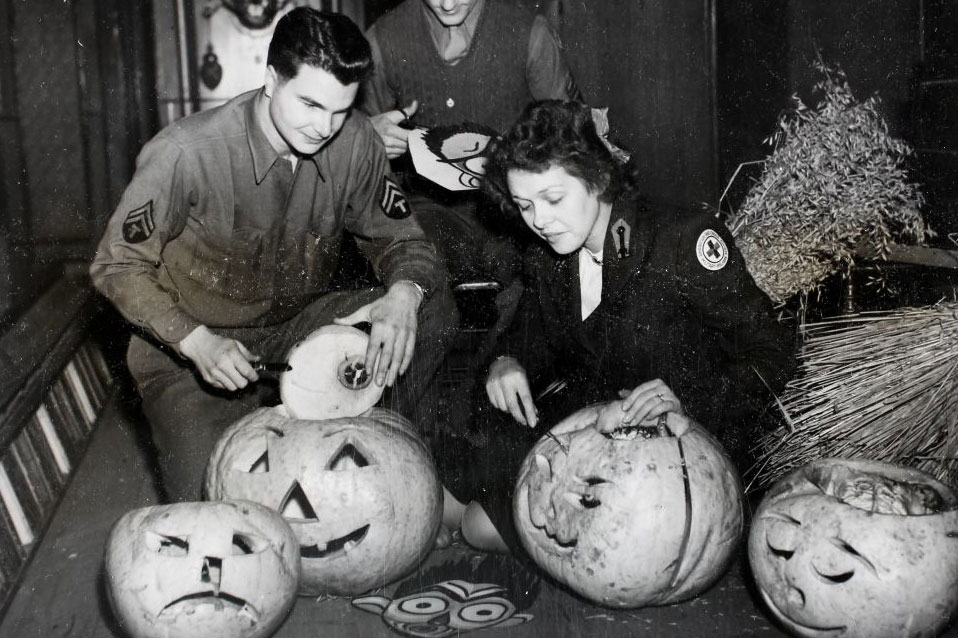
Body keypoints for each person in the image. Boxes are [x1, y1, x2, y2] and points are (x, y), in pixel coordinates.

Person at [89, 8, 457, 502]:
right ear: (269, 79)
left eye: (341, 110)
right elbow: (116, 264)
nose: (324, 127)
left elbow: (404, 241)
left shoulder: (356, 141)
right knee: (219, 514)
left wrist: (403, 293)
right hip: (189, 348)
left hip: (294, 329)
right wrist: (196, 342)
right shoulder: (186, 153)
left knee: (427, 305)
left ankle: (381, 450)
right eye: (308, 103)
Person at [437, 100, 796, 552]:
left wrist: (688, 395)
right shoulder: (550, 252)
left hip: (682, 454)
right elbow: (530, 330)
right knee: (442, 497)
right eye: (525, 205)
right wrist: (508, 360)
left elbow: (774, 351)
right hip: (594, 434)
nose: (539, 221)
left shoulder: (681, 239)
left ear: (598, 180)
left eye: (552, 199)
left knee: (478, 527)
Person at [357, 0, 581, 331]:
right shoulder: (384, 39)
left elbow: (574, 140)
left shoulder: (531, 34)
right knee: (412, 285)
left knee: (535, 294)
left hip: (514, 212)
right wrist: (366, 134)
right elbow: (343, 150)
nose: (446, 4)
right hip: (427, 214)